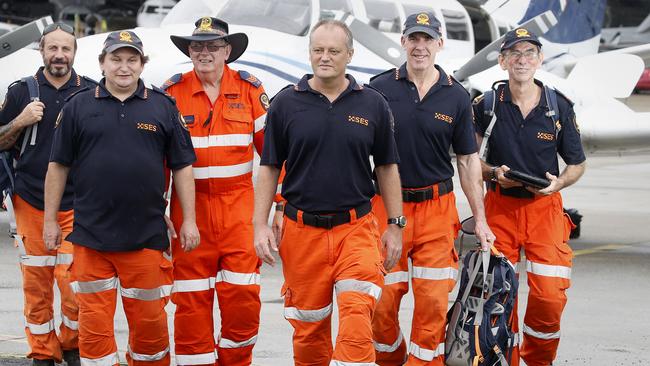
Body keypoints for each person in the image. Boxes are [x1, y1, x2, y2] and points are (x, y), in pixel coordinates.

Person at [43, 30, 200, 366]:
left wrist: (189, 220)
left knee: (150, 332)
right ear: (102, 63)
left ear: (142, 65)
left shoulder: (163, 106)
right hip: (91, 239)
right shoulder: (78, 106)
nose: (124, 67)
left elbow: (183, 166)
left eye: (132, 59)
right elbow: (57, 167)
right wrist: (49, 221)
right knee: (95, 332)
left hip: (145, 238)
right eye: (116, 58)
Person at [253, 19, 404, 366]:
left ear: (349, 55)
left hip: (356, 229)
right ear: (309, 53)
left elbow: (386, 166)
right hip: (302, 233)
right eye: (318, 50)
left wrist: (396, 224)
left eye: (333, 51)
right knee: (308, 332)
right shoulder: (285, 104)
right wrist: (259, 225)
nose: (325, 57)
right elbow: (270, 167)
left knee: (356, 314)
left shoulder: (373, 104)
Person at [368, 12, 496, 366]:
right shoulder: (379, 89)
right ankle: (392, 359)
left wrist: (480, 219)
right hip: (387, 209)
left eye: (427, 39)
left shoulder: (455, 95)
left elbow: (468, 162)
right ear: (403, 42)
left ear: (440, 44)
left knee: (434, 304)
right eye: (414, 38)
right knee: (380, 301)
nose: (420, 46)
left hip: (437, 211)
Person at [162, 16, 279, 366]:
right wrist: (158, 209)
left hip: (239, 212)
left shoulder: (249, 90)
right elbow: (158, 161)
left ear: (227, 51)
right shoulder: (171, 93)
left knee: (243, 300)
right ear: (189, 51)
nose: (204, 52)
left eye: (213, 46)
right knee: (191, 302)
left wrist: (279, 209)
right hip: (189, 212)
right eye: (197, 46)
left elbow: (274, 157)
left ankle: (235, 361)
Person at [472, 28, 586, 366]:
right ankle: (500, 359)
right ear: (502, 61)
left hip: (544, 209)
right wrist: (494, 174)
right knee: (497, 295)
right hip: (500, 208)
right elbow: (469, 161)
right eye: (515, 54)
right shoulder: (486, 106)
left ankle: (539, 360)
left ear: (539, 60)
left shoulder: (558, 107)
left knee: (550, 296)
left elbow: (577, 164)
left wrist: (558, 184)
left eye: (529, 53)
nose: (522, 60)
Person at [0, 22, 93, 366]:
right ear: (41, 51)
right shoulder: (22, 91)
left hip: (77, 204)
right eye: (52, 48)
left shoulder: (91, 92)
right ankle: (41, 353)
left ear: (74, 53)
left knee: (74, 284)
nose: (59, 55)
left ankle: (71, 346)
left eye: (65, 49)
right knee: (36, 286)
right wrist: (21, 120)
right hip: (30, 201)